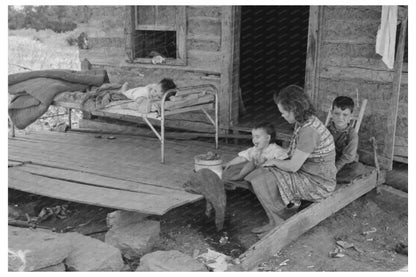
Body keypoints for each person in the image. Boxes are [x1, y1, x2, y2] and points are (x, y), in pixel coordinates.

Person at [244, 85, 337, 234]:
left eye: (284, 112)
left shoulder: (309, 130)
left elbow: (293, 166)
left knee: (262, 179)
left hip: (318, 182)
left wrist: (274, 161)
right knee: (255, 175)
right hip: (308, 171)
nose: (282, 116)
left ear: (295, 109)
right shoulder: (304, 122)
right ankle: (275, 218)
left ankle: (280, 222)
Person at [222, 122, 288, 182]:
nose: (254, 140)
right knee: (245, 164)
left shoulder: (276, 150)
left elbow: (285, 161)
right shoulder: (255, 149)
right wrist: (229, 163)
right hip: (256, 173)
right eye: (253, 137)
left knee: (251, 164)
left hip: (269, 176)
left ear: (268, 138)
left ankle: (240, 176)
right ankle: (239, 175)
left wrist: (272, 162)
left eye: (257, 137)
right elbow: (243, 157)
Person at [326, 96, 358, 171]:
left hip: (344, 164)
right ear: (331, 113)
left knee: (357, 169)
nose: (340, 118)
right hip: (328, 162)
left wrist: (334, 169)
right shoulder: (325, 130)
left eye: (345, 115)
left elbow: (348, 157)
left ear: (351, 116)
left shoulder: (352, 134)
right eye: (337, 113)